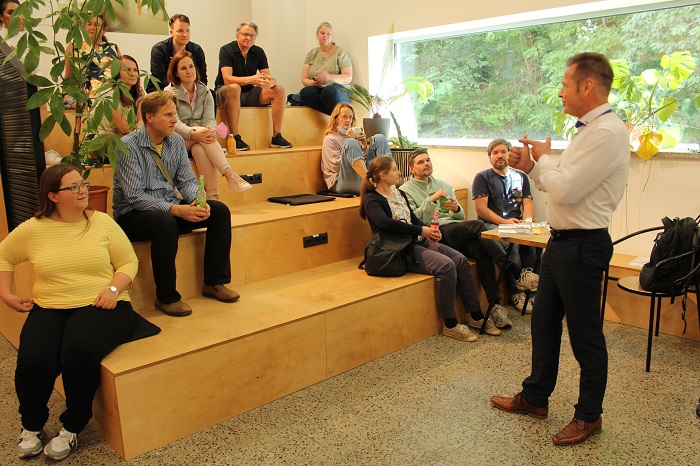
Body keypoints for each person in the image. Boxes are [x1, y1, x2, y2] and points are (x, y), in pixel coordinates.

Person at [490, 52, 630, 446]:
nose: (561, 93)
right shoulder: (589, 130)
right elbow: (563, 184)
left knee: (585, 335)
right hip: (562, 241)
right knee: (543, 321)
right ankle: (535, 397)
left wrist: (544, 159)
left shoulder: (606, 132)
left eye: (566, 85)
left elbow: (565, 187)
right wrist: (532, 166)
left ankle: (589, 415)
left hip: (583, 245)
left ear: (587, 86)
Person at [0, 164, 139, 461]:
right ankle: (32, 425)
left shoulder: (102, 223)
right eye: (73, 187)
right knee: (33, 358)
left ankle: (73, 426)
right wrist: (6, 294)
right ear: (52, 195)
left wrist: (113, 290)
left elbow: (129, 262)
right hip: (50, 305)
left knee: (78, 350)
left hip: (102, 303)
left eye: (83, 184)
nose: (82, 190)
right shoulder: (33, 228)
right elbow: (4, 255)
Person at [113, 92, 239, 317]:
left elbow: (187, 180)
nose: (175, 120)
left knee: (219, 211)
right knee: (165, 223)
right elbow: (134, 196)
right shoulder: (128, 146)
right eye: (168, 115)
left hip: (168, 207)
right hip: (133, 214)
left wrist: (196, 201)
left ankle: (214, 282)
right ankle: (166, 297)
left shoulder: (176, 142)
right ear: (149, 117)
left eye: (175, 114)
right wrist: (175, 209)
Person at [361, 155, 501, 342]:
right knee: (446, 266)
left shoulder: (398, 193)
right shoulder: (372, 199)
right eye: (395, 169)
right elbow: (385, 224)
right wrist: (421, 230)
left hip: (416, 240)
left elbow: (413, 218)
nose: (398, 172)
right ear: (383, 175)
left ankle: (475, 315)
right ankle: (450, 324)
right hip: (400, 248)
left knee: (460, 260)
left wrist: (429, 231)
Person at [400, 148, 513, 329]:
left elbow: (460, 216)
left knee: (480, 249)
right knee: (478, 225)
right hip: (435, 234)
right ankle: (509, 267)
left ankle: (494, 305)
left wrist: (455, 208)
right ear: (411, 169)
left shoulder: (442, 183)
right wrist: (432, 199)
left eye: (428, 160)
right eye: (420, 162)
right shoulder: (405, 191)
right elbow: (417, 221)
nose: (426, 164)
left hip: (454, 230)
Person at [164, 50, 251, 196]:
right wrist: (194, 133)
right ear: (176, 73)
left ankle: (212, 197)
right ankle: (230, 175)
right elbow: (175, 123)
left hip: (201, 140)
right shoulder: (169, 93)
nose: (189, 71)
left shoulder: (205, 91)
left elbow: (210, 119)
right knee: (203, 137)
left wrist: (211, 131)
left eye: (191, 66)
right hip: (177, 139)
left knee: (200, 150)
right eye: (183, 68)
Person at [473, 138, 540, 312]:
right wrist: (504, 222)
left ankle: (532, 293)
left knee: (534, 246)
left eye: (503, 151)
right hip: (491, 225)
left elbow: (528, 204)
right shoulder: (482, 177)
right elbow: (481, 210)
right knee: (513, 246)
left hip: (516, 224)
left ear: (509, 154)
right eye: (495, 153)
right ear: (489, 158)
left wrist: (527, 223)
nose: (500, 155)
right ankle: (515, 292)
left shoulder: (520, 177)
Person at [215, 22, 291, 151]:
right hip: (226, 92)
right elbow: (227, 79)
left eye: (252, 36)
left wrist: (271, 82)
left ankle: (277, 136)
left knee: (279, 89)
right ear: (237, 35)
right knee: (234, 87)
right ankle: (234, 137)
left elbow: (268, 76)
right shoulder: (226, 50)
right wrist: (252, 79)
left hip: (249, 93)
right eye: (245, 34)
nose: (248, 38)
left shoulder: (258, 51)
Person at [322, 102, 390, 194]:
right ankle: (371, 182)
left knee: (379, 138)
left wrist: (364, 145)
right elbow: (335, 167)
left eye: (351, 117)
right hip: (341, 182)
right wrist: (351, 142)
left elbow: (361, 163)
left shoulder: (352, 136)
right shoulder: (330, 139)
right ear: (336, 118)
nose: (348, 120)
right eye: (344, 116)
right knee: (351, 142)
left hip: (361, 177)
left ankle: (387, 181)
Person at [299, 22, 352, 115]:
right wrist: (312, 83)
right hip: (319, 89)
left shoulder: (340, 52)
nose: (325, 36)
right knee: (305, 93)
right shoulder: (312, 53)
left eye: (328, 34)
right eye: (322, 33)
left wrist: (328, 77)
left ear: (332, 36)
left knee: (328, 92)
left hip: (338, 90)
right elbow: (304, 79)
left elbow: (348, 77)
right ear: (317, 35)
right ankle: (333, 118)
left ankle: (337, 122)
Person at [147, 13, 207, 93]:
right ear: (172, 32)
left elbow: (202, 77)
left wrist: (191, 88)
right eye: (180, 31)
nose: (185, 34)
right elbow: (159, 79)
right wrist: (183, 87)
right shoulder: (159, 50)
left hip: (190, 88)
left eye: (187, 30)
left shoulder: (197, 50)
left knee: (209, 93)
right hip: (163, 88)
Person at [64, 13, 121, 97]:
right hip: (82, 96)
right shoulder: (75, 46)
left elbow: (120, 75)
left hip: (108, 95)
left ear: (104, 29)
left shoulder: (113, 48)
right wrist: (65, 97)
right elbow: (68, 76)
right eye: (89, 24)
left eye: (96, 25)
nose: (92, 28)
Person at [98, 54, 144, 136]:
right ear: (116, 72)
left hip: (130, 137)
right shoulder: (108, 91)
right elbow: (124, 128)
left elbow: (143, 119)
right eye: (127, 70)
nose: (133, 74)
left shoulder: (139, 92)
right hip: (106, 137)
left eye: (135, 70)